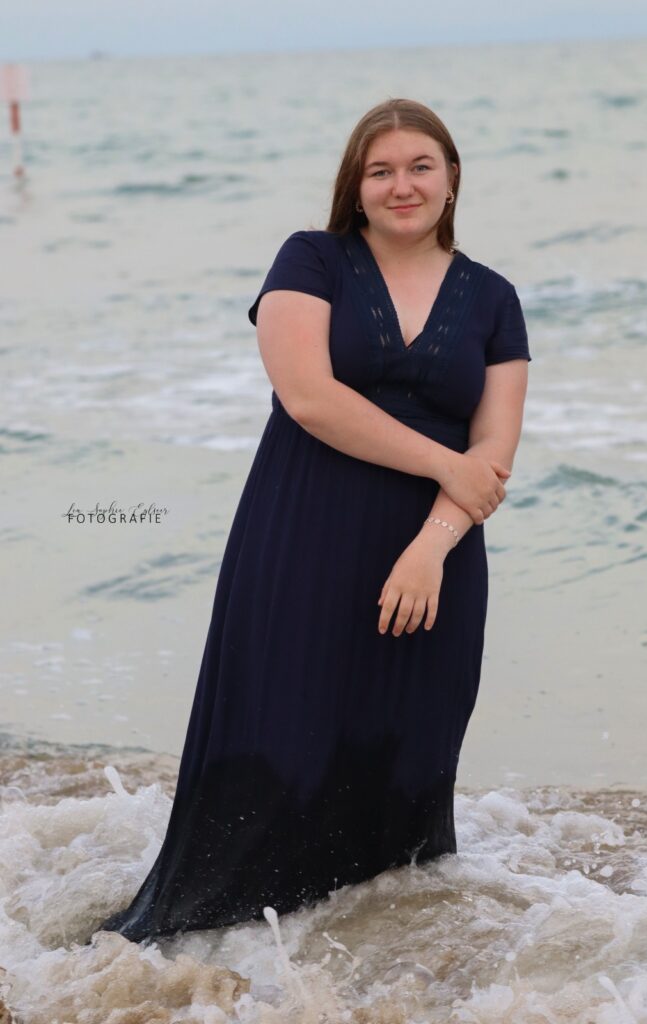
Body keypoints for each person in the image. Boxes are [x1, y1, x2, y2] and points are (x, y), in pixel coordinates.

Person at [93, 97, 531, 944]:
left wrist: (431, 547)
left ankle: (375, 967)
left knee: (403, 772)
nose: (401, 185)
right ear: (355, 186)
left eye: (420, 166)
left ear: (451, 178)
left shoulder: (495, 298)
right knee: (279, 747)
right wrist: (447, 464)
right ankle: (213, 963)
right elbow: (309, 399)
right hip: (305, 537)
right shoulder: (312, 259)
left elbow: (494, 452)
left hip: (435, 559)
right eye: (380, 171)